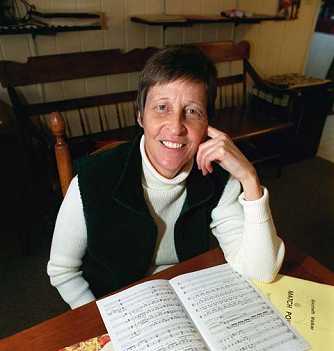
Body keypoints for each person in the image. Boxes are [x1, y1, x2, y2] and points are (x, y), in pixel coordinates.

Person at [47, 45, 285, 309]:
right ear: (140, 116)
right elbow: (63, 271)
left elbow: (261, 271)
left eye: (192, 111)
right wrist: (101, 323)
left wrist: (249, 178)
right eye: (162, 107)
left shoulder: (218, 177)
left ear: (208, 124)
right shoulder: (93, 178)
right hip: (113, 305)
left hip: (184, 301)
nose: (175, 126)